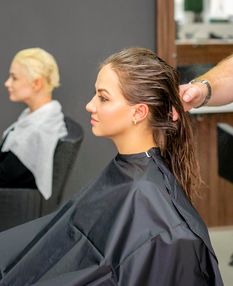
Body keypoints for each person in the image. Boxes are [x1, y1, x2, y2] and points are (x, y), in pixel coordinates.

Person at [0, 48, 223, 285]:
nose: (89, 105)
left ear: (139, 112)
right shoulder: (128, 171)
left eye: (103, 97)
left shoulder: (166, 226)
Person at [0, 48, 67, 199]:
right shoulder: (36, 117)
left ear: (36, 83)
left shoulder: (38, 130)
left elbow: (4, 176)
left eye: (14, 78)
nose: (7, 83)